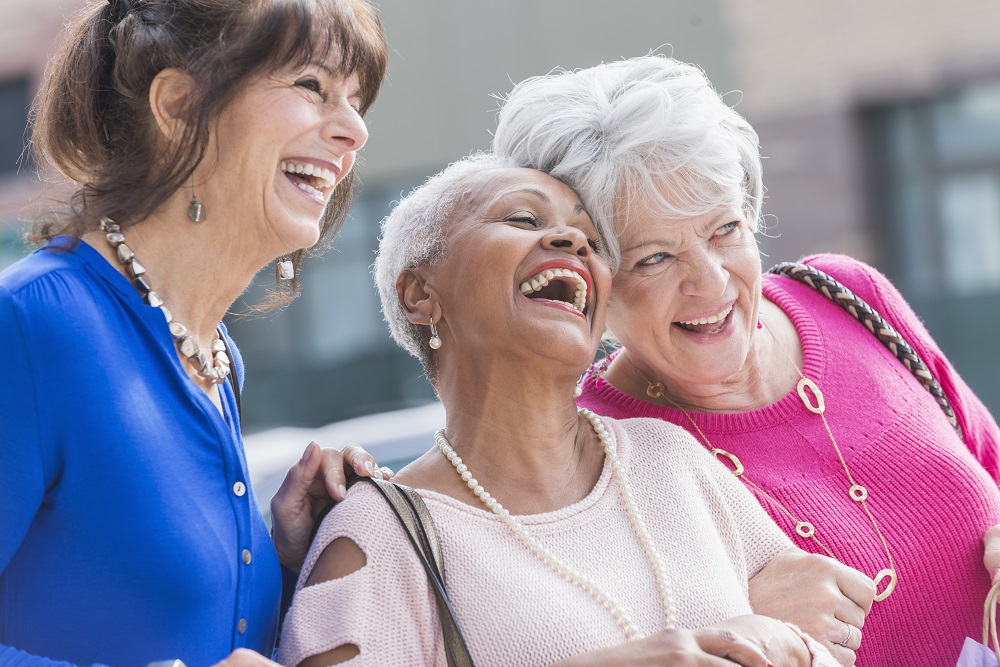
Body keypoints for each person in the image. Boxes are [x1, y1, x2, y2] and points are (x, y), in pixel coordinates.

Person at [491, 54, 1000, 666]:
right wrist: (733, 624)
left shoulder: (848, 298)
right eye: (654, 258)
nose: (710, 285)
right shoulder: (588, 445)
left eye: (724, 229)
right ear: (590, 281)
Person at [278, 154, 840, 667]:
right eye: (523, 220)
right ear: (420, 295)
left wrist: (790, 648)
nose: (572, 240)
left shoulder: (669, 458)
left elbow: (820, 645)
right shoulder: (381, 533)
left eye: (592, 240)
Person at [0, 0, 388, 665]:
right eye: (312, 87)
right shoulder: (33, 325)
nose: (354, 130)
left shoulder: (215, 358)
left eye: (356, 100)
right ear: (178, 104)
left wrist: (285, 554)